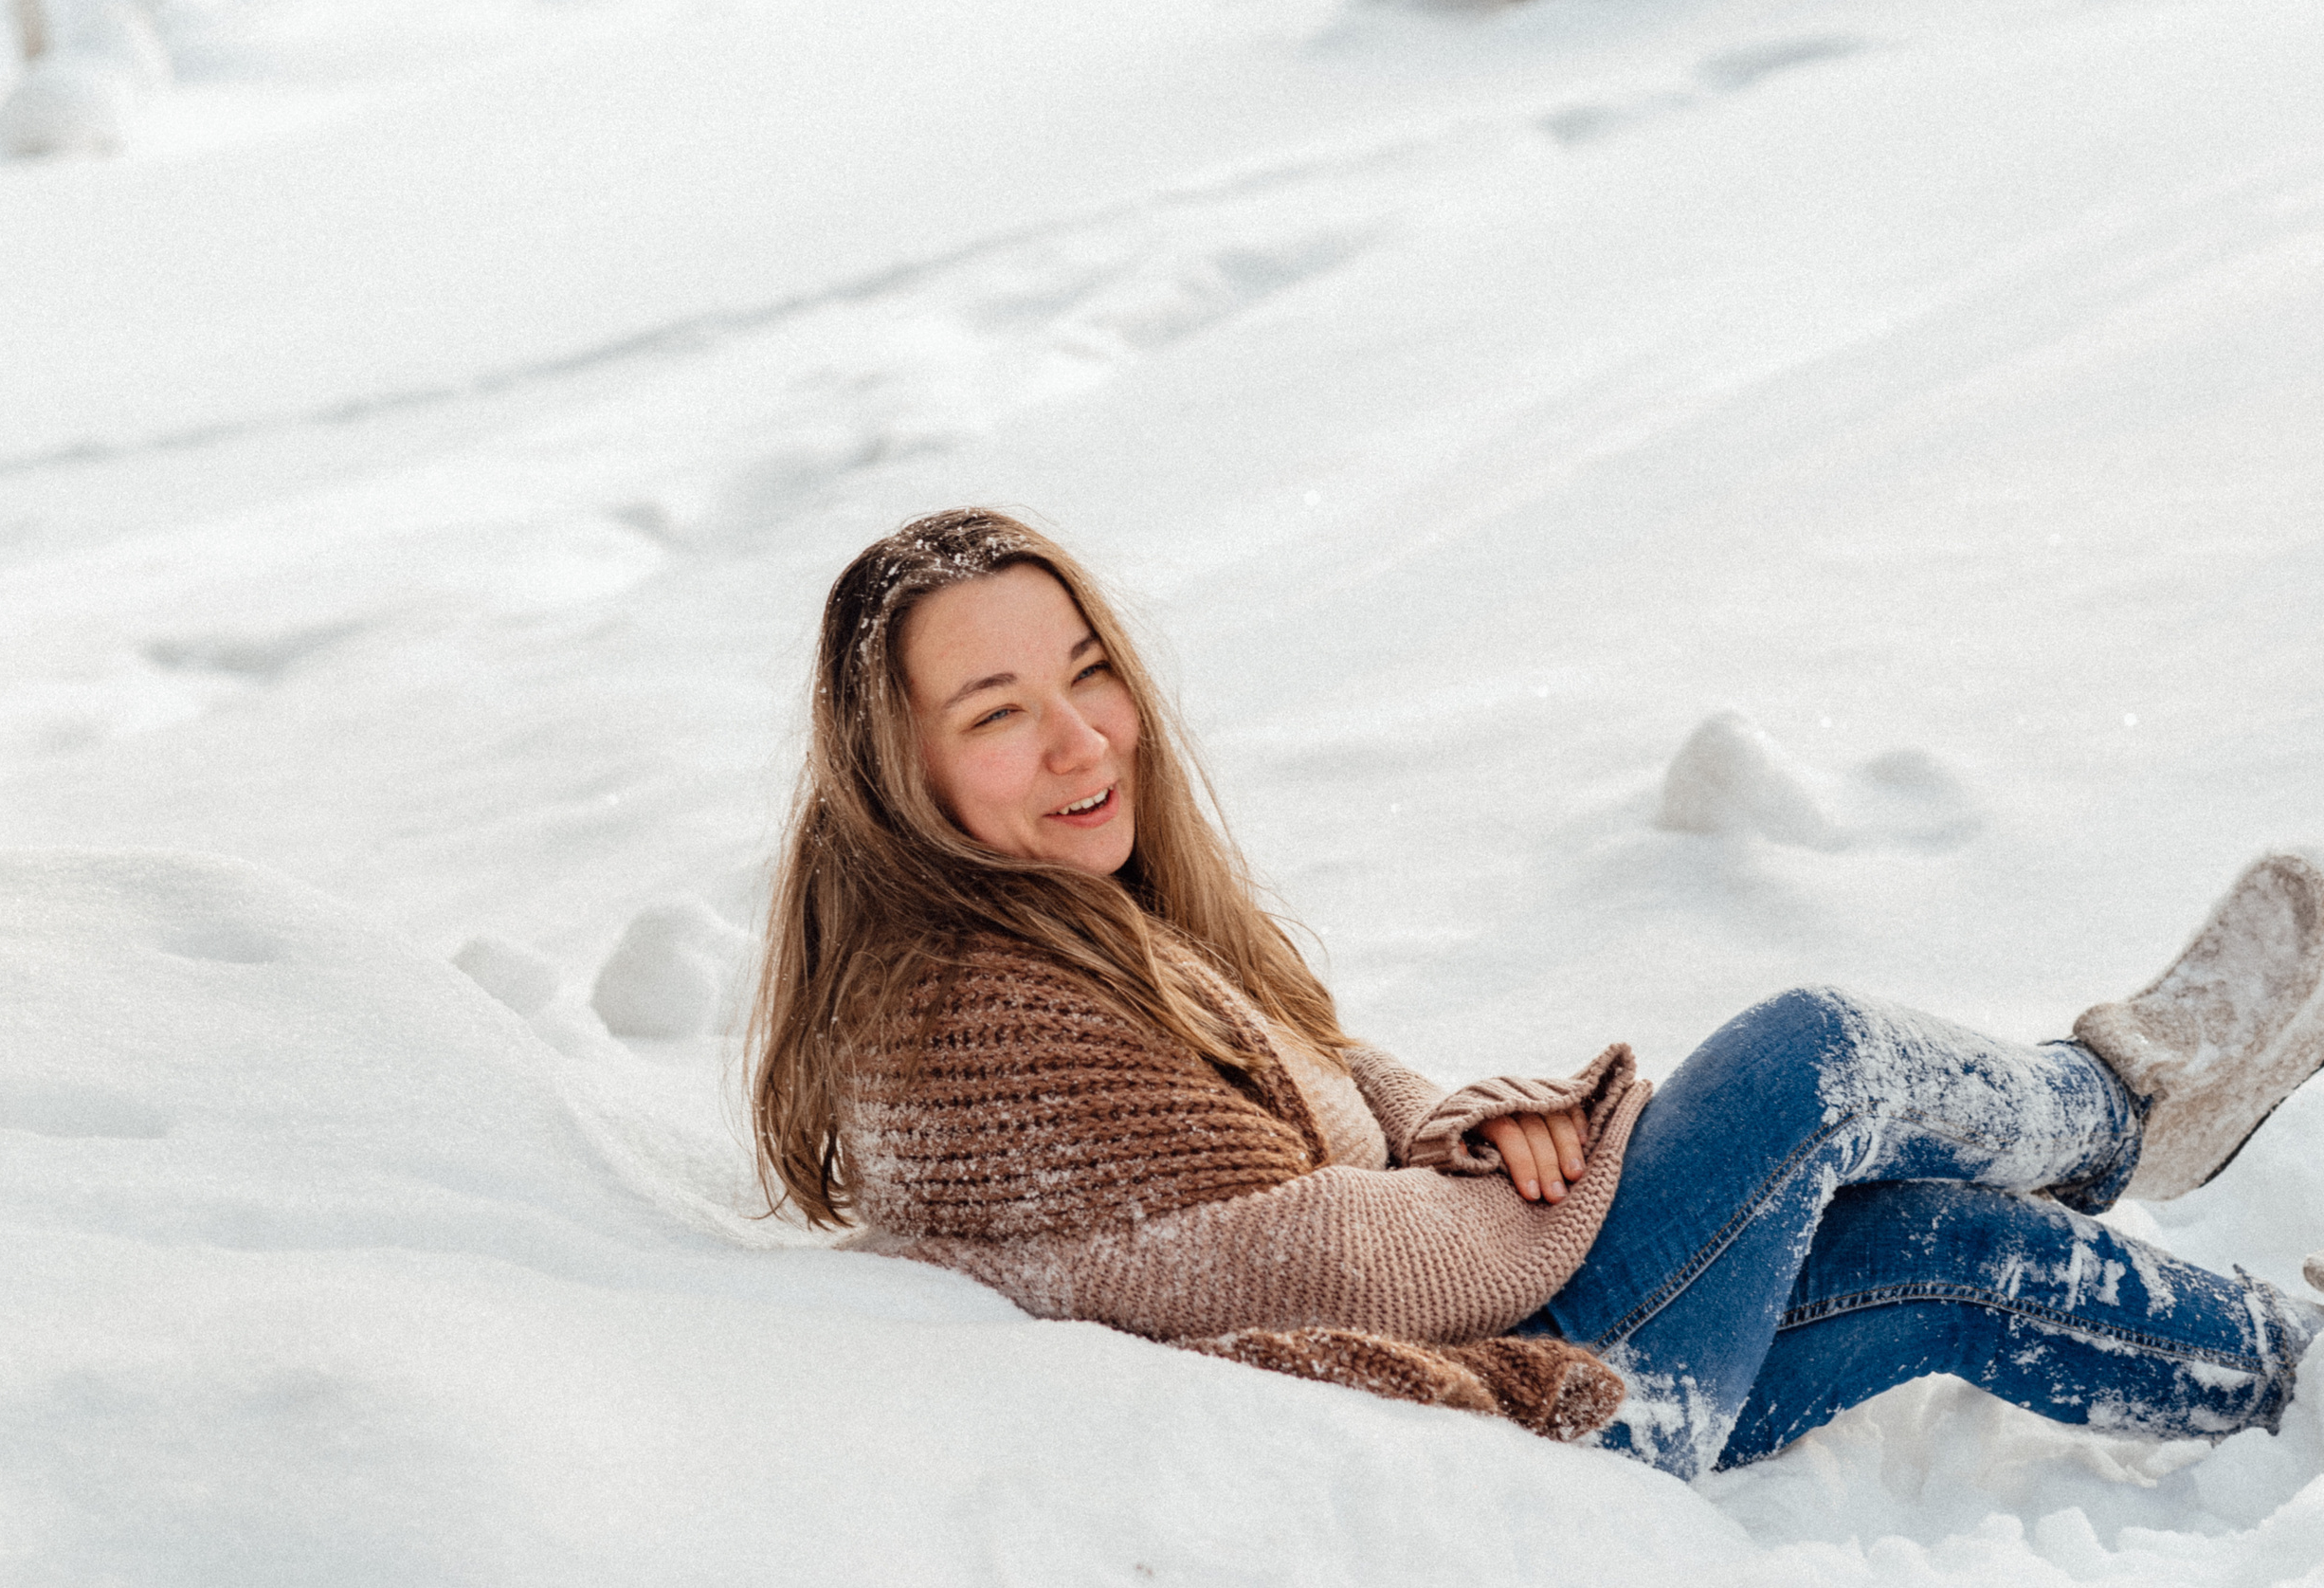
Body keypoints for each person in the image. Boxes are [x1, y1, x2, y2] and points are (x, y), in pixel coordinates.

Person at [749, 507, 2324, 1477]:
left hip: (1501, 1351)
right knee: (1812, 1060)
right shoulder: (963, 1024)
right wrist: (1584, 1156)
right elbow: (1292, 1260)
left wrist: (1461, 1123)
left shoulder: (1059, 922)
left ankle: (2285, 1366)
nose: (1086, 736)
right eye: (1000, 710)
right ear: (906, 769)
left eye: (1088, 668)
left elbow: (1325, 1073)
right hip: (1521, 1406)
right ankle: (2125, 1109)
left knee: (1937, 1252)